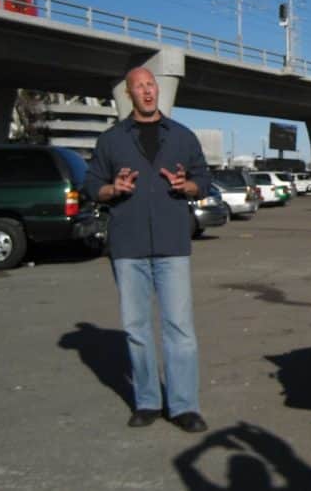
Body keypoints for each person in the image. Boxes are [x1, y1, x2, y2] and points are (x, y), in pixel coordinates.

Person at [84, 67, 211, 433]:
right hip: (128, 244)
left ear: (158, 90)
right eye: (139, 86)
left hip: (172, 244)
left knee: (180, 328)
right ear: (129, 94)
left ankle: (184, 406)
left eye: (151, 84)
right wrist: (114, 189)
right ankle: (147, 401)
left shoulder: (183, 137)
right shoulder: (111, 140)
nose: (147, 91)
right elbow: (93, 184)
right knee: (137, 328)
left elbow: (203, 180)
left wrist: (187, 185)